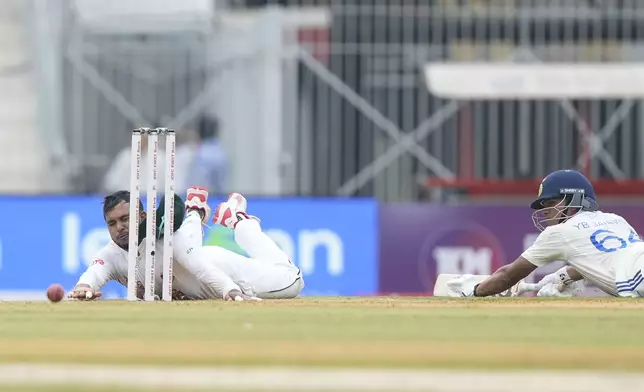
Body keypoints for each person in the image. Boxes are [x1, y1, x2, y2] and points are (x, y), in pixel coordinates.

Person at [68, 187, 303, 301]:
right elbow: (94, 272)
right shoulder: (110, 255)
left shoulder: (164, 239)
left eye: (125, 219)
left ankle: (239, 221)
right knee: (186, 234)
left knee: (292, 280)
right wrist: (83, 287)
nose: (119, 227)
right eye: (112, 223)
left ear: (141, 217)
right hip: (195, 264)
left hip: (224, 270)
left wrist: (230, 290)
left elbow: (202, 267)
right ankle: (198, 211)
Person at [447, 169, 644, 298]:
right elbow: (607, 258)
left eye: (551, 203)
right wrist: (564, 276)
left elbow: (508, 275)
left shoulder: (558, 233)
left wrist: (474, 291)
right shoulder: (616, 219)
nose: (546, 211)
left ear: (575, 199)